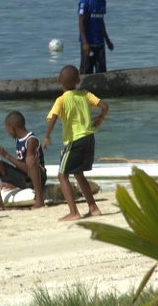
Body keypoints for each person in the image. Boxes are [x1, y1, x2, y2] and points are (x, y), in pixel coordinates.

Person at [42, 65, 109, 221]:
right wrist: (100, 118)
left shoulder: (61, 100)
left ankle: (74, 212)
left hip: (75, 141)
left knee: (62, 175)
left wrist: (47, 136)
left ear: (59, 81)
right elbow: (104, 106)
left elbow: (52, 118)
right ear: (78, 80)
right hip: (89, 138)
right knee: (78, 174)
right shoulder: (85, 94)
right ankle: (93, 208)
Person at [0, 111, 47, 209]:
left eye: (7, 129)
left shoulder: (31, 140)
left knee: (30, 160)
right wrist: (13, 180)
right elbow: (21, 165)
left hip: (38, 176)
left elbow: (29, 168)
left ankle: (39, 200)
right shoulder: (18, 139)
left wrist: (6, 155)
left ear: (12, 128)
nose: (7, 132)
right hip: (25, 176)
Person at [78, 0, 114, 74]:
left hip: (100, 43)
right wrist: (85, 42)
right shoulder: (85, 2)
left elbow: (101, 21)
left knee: (101, 71)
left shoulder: (103, 1)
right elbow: (81, 22)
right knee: (86, 70)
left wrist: (107, 40)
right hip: (89, 43)